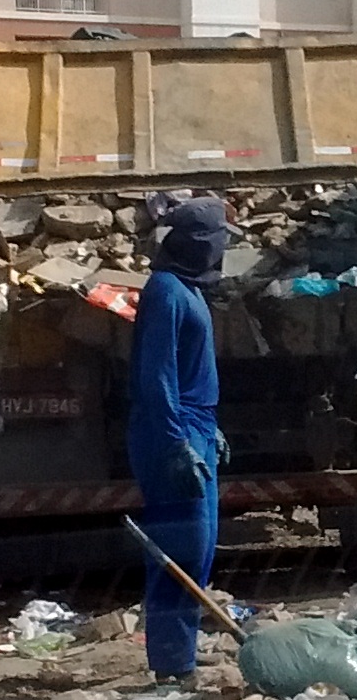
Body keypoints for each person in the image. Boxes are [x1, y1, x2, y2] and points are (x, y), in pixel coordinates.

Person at [128, 196, 230, 686]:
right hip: (171, 431)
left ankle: (181, 652)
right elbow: (157, 376)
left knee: (202, 547)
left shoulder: (188, 291)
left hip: (197, 427)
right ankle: (171, 668)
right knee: (180, 550)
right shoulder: (166, 292)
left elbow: (189, 371)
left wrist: (212, 430)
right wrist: (175, 443)